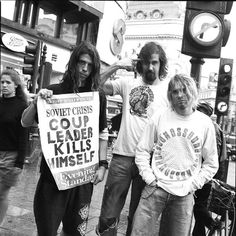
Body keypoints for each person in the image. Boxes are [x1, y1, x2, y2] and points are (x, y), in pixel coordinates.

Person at [21, 41, 108, 236]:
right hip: (53, 178)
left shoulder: (98, 96)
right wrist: (37, 102)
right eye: (81, 62)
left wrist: (103, 165)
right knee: (47, 230)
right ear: (73, 62)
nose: (85, 68)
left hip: (83, 178)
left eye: (90, 65)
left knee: (75, 232)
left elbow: (102, 133)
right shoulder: (54, 91)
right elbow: (25, 122)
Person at [131, 74, 219, 236]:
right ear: (170, 95)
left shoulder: (204, 123)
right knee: (139, 233)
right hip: (155, 189)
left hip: (184, 195)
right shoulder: (160, 116)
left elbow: (211, 163)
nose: (179, 95)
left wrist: (193, 185)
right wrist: (149, 177)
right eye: (174, 91)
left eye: (184, 90)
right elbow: (143, 149)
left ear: (192, 92)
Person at [96, 41, 169, 236]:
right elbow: (97, 85)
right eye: (146, 62)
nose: (150, 67)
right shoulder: (128, 84)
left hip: (149, 162)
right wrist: (118, 65)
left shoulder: (168, 92)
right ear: (140, 64)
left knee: (138, 218)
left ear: (161, 64)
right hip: (122, 157)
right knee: (108, 214)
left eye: (154, 62)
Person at [192, 101, 228, 236]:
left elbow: (213, 155)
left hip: (207, 175)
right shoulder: (211, 126)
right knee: (199, 206)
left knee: (198, 206)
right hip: (207, 174)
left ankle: (213, 224)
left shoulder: (210, 127)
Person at [0, 69, 29, 225]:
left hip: (10, 157)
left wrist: (20, 162)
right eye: (2, 82)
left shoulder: (21, 106)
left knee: (2, 194)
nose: (4, 85)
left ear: (16, 85)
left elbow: (24, 136)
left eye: (8, 82)